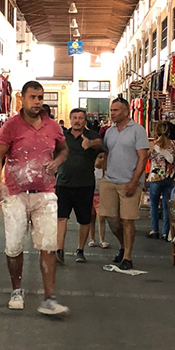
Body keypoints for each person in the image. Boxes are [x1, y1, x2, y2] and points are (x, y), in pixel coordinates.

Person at [0, 81, 70, 316]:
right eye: (33, 97)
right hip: (16, 195)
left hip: (45, 194)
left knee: (49, 246)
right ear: (22, 99)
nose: (37, 102)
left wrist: (57, 162)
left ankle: (49, 298)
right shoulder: (11, 126)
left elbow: (64, 149)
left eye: (40, 97)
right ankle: (16, 290)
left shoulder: (53, 126)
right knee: (14, 246)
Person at [99, 97, 150, 270]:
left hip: (129, 181)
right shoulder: (110, 132)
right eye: (111, 110)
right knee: (112, 220)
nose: (112, 113)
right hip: (110, 180)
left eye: (116, 110)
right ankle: (122, 245)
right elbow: (106, 154)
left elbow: (143, 157)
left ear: (126, 111)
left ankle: (127, 256)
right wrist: (104, 173)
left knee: (127, 220)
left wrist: (134, 182)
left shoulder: (137, 130)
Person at [55, 108, 102, 264]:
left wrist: (90, 143)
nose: (77, 121)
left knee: (84, 219)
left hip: (85, 185)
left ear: (85, 120)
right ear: (70, 120)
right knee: (61, 217)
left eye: (80, 118)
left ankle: (80, 250)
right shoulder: (62, 136)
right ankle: (59, 250)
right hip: (63, 184)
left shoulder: (91, 135)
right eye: (74, 118)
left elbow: (100, 143)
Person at [147, 121, 175, 240]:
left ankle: (154, 230)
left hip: (155, 177)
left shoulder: (153, 145)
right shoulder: (173, 144)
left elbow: (145, 157)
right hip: (169, 177)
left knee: (154, 204)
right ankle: (165, 232)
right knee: (167, 205)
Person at [87, 151, 110, 248]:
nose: (102, 160)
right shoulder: (91, 170)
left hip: (100, 196)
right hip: (90, 196)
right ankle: (92, 238)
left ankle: (102, 239)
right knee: (91, 218)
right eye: (100, 157)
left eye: (104, 158)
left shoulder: (105, 171)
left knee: (101, 218)